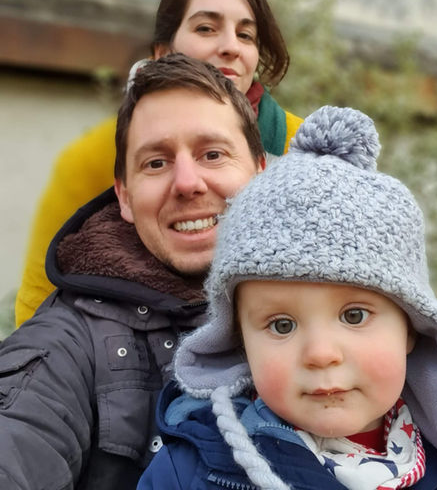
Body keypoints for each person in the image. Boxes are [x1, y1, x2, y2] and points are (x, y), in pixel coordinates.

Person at [138, 106, 437, 490]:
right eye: (282, 325)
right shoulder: (187, 474)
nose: (320, 353)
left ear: (411, 327)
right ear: (240, 341)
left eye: (354, 316)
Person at [0, 54, 265, 490]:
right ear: (123, 196)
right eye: (156, 163)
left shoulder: (333, 297)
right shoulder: (66, 347)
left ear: (260, 170)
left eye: (213, 154)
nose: (187, 182)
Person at [16, 0, 303, 327]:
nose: (231, 46)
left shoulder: (302, 145)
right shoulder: (91, 158)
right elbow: (40, 299)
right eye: (206, 28)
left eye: (246, 35)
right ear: (163, 51)